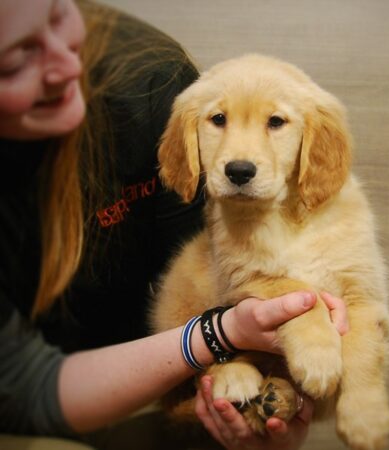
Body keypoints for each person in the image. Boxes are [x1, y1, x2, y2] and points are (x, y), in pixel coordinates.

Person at [0, 1, 348, 449]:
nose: (70, 63)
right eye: (14, 60)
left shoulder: (149, 81)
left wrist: (262, 391)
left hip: (144, 359)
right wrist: (217, 336)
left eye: (57, 15)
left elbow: (205, 282)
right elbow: (26, 387)